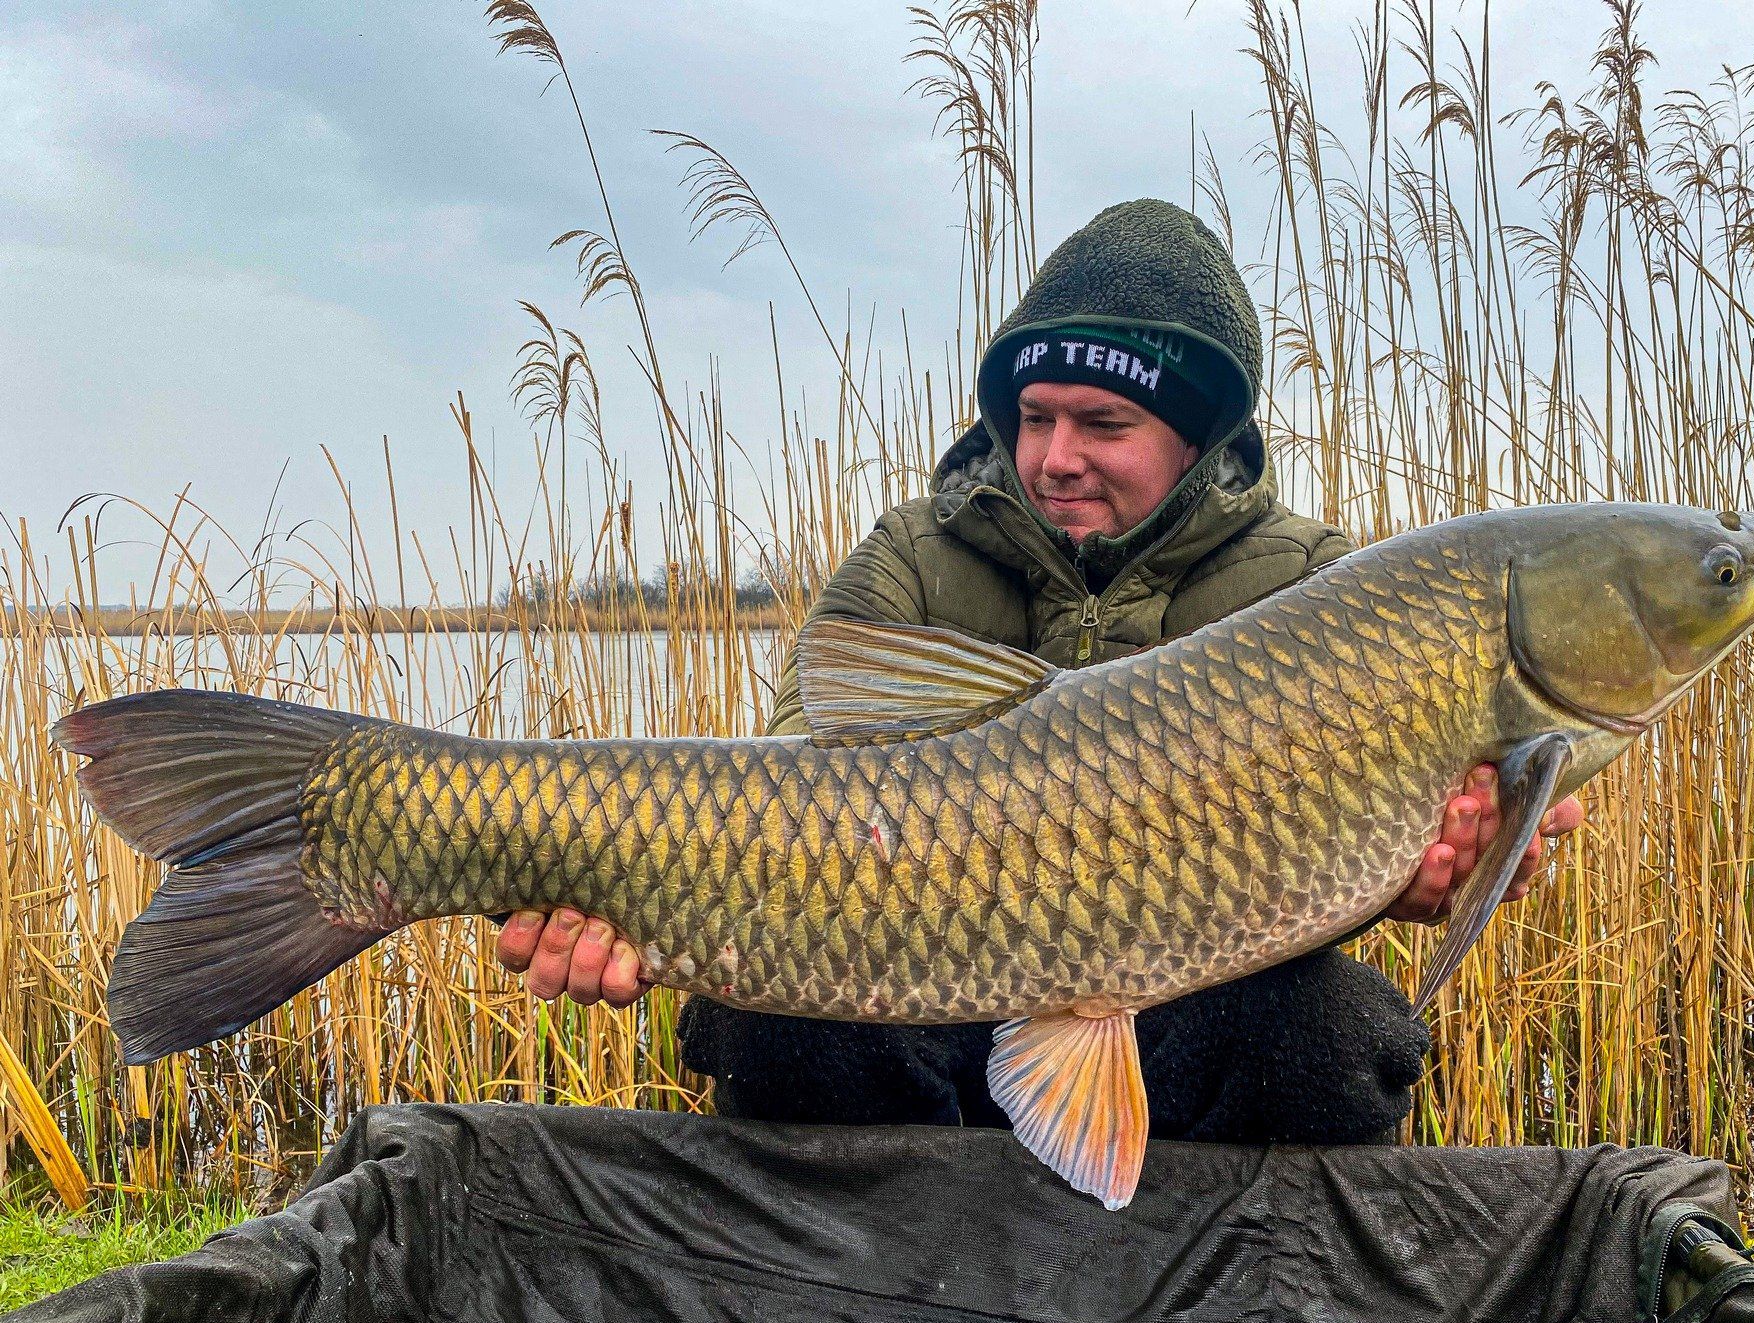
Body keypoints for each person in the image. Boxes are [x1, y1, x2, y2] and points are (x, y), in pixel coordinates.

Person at [494, 198, 1584, 1144]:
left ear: (1197, 437)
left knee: (1334, 1039)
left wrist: (1416, 879)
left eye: (1104, 424)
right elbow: (800, 801)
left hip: (1173, 1005)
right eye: (1034, 418)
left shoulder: (1316, 592)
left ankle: (1190, 1313)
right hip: (904, 979)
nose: (1056, 457)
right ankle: (887, 1292)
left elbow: (1335, 854)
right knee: (768, 1023)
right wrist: (620, 898)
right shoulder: (911, 562)